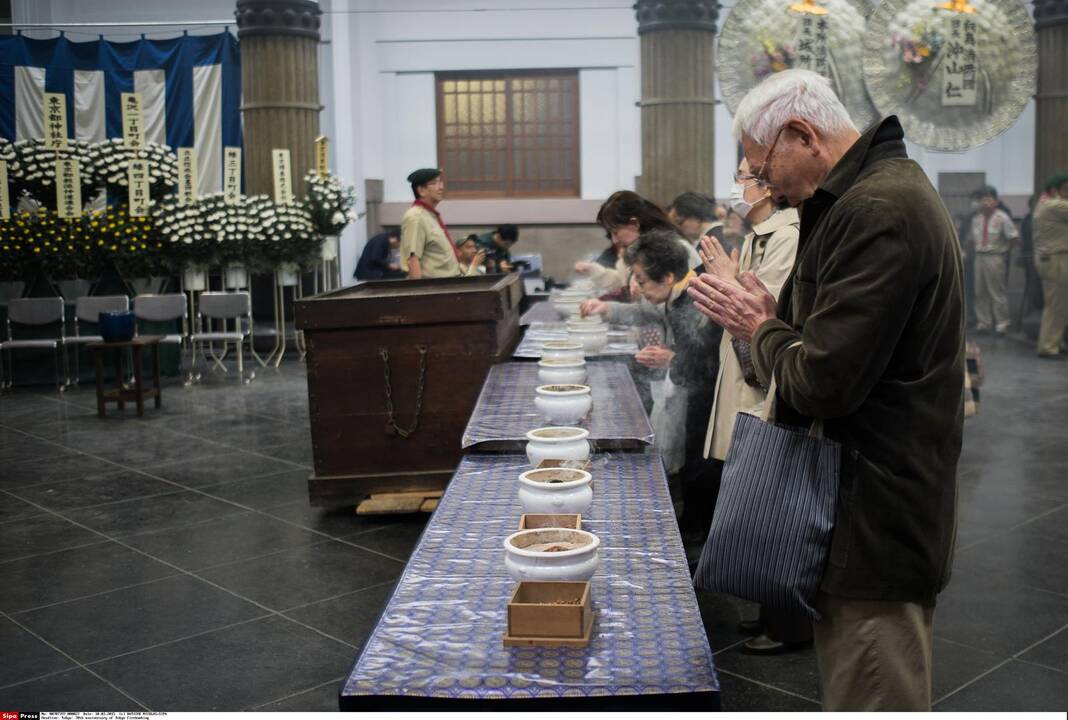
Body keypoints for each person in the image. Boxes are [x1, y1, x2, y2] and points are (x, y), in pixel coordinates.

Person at [688, 69, 964, 711]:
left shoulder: (876, 209)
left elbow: (822, 382)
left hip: (875, 510)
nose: (768, 185)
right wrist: (773, 320)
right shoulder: (867, 194)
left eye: (762, 166)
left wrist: (760, 326)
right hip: (861, 497)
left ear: (799, 134)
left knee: (872, 687)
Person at [698, 157, 803, 655]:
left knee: (775, 504)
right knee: (754, 497)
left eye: (742, 175)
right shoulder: (760, 234)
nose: (737, 183)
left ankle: (785, 622)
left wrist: (724, 278)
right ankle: (767, 610)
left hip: (768, 381)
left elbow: (764, 312)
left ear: (765, 187)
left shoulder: (786, 234)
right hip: (744, 377)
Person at [583, 229, 721, 492]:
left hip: (704, 413)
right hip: (687, 403)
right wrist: (607, 309)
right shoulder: (675, 294)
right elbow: (645, 311)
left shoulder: (698, 299)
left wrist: (672, 359)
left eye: (642, 281)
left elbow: (710, 362)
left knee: (697, 477)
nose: (638, 288)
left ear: (667, 277)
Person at [576, 190, 700, 294]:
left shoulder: (669, 250)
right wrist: (593, 270)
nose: (614, 240)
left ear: (634, 223)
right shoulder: (639, 249)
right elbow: (621, 280)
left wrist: (640, 295)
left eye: (615, 232)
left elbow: (669, 303)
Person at [971, 185, 1019, 335]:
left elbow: (1013, 237)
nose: (986, 202)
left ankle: (1001, 324)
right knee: (980, 291)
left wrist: (1004, 251)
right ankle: (984, 323)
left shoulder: (1002, 217)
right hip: (980, 257)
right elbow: (973, 239)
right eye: (983, 199)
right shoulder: (976, 219)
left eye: (990, 199)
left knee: (997, 291)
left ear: (996, 201)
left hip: (995, 257)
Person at [400, 168, 461, 279]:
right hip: (433, 288)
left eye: (440, 182)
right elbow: (413, 260)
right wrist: (419, 294)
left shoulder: (430, 215)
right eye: (435, 183)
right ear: (421, 190)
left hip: (448, 285)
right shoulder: (415, 217)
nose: (441, 187)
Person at [1034, 172, 1068, 358]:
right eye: (1066, 189)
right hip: (1056, 260)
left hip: (1052, 259)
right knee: (1056, 305)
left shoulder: (1046, 202)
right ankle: (1048, 346)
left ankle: (1056, 341)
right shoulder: (1055, 205)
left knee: (1059, 304)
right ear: (1054, 190)